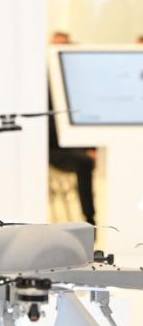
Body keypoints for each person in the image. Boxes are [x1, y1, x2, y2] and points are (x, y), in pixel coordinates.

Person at [47, 30, 96, 225]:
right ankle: (90, 218)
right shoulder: (45, 82)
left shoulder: (78, 81)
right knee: (84, 163)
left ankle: (90, 218)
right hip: (53, 147)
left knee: (87, 161)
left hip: (73, 145)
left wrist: (90, 147)